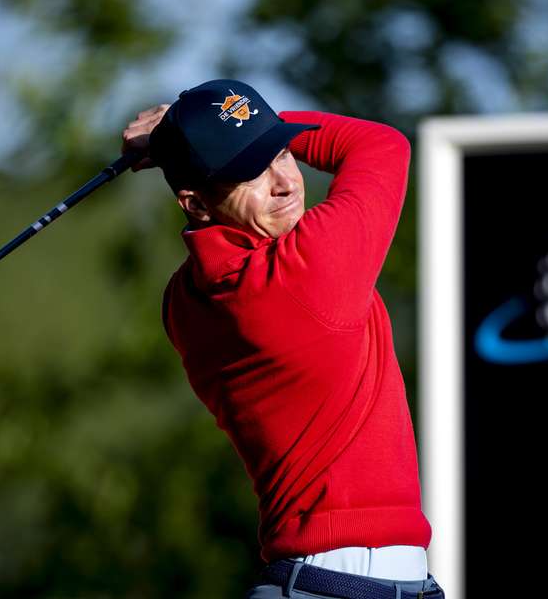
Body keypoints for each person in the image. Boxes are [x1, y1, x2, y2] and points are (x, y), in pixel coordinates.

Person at [121, 79, 445, 599]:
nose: (285, 181)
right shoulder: (304, 274)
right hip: (344, 585)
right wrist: (181, 130)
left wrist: (195, 133)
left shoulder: (183, 300)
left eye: (280, 151)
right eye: (247, 171)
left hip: (343, 582)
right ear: (197, 204)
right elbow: (381, 145)